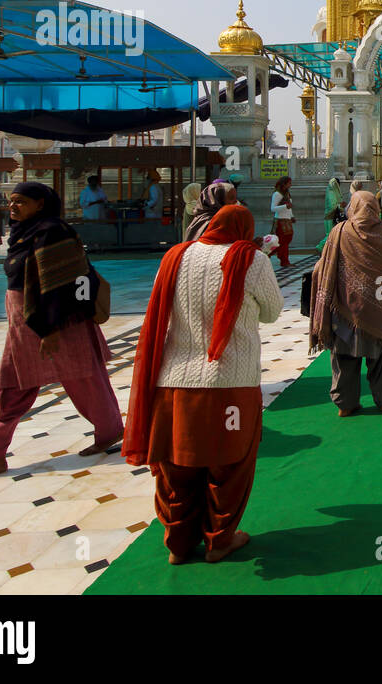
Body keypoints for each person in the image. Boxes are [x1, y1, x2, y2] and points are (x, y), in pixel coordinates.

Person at [122, 204, 281, 564]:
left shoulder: (176, 256)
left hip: (174, 380)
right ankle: (219, 540)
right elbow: (272, 313)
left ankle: (178, 543)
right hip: (230, 381)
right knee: (229, 464)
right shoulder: (251, 260)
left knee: (177, 465)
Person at [0, 182, 122, 480]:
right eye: (11, 201)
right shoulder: (26, 232)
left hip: (58, 321)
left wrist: (51, 328)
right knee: (12, 386)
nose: (13, 207)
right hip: (26, 322)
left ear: (40, 204)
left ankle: (109, 432)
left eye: (21, 202)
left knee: (85, 377)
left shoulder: (53, 232)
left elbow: (64, 280)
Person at [309, 190, 382, 417]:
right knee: (378, 356)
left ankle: (346, 403)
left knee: (343, 356)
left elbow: (325, 262)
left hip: (344, 305)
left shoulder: (339, 231)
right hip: (377, 304)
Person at [270, 177, 295, 267]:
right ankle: (284, 261)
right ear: (284, 184)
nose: (290, 185)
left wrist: (292, 216)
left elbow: (289, 206)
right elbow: (272, 208)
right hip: (280, 221)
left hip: (287, 220)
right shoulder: (277, 194)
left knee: (286, 240)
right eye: (289, 183)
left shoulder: (287, 193)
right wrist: (285, 206)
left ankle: (275, 253)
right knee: (283, 242)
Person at [319, 176, 344, 251]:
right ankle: (320, 247)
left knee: (331, 234)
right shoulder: (331, 193)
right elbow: (333, 206)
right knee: (330, 235)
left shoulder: (330, 191)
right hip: (331, 216)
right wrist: (340, 206)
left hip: (330, 217)